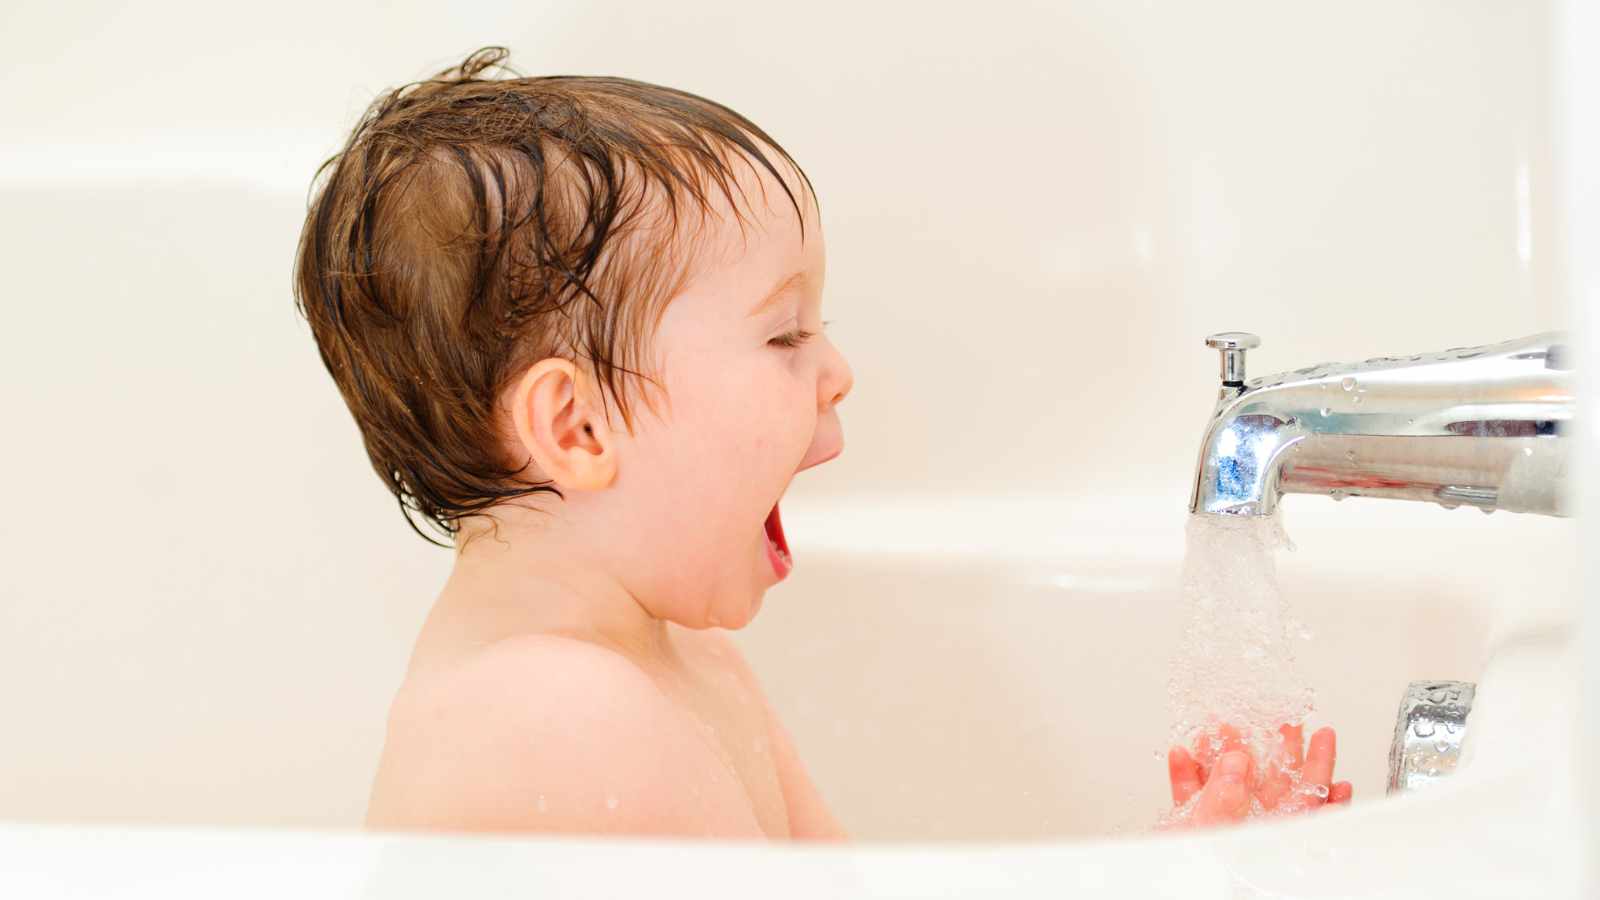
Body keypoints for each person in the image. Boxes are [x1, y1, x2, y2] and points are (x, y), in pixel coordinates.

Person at [294, 45, 1347, 841]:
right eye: (785, 333)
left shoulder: (679, 655)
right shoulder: (554, 715)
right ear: (576, 426)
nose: (836, 372)